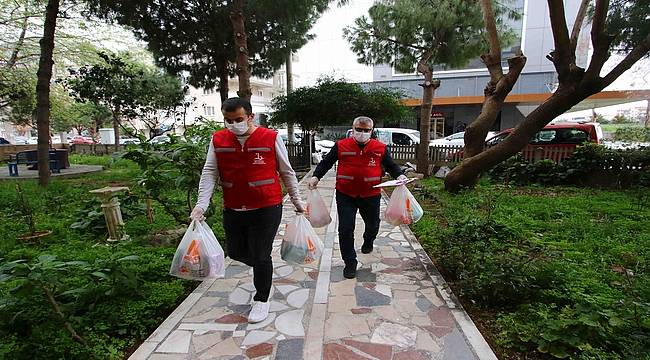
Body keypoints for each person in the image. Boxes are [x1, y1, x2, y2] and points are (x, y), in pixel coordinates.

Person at [190, 97, 305, 323]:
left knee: (261, 254)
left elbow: (287, 171)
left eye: (238, 119)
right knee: (235, 252)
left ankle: (262, 298)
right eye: (228, 120)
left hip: (267, 207)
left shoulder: (270, 138)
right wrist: (201, 204)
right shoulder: (218, 139)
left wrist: (296, 199)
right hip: (233, 207)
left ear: (250, 116)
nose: (233, 124)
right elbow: (209, 172)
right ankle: (264, 270)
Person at [308, 116, 407, 279]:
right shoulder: (341, 146)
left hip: (371, 194)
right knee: (345, 229)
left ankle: (368, 240)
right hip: (345, 194)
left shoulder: (380, 148)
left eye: (366, 130)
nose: (362, 133)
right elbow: (326, 162)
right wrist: (316, 176)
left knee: (373, 225)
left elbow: (391, 165)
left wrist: (400, 175)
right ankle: (350, 262)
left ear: (371, 131)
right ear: (352, 129)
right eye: (359, 130)